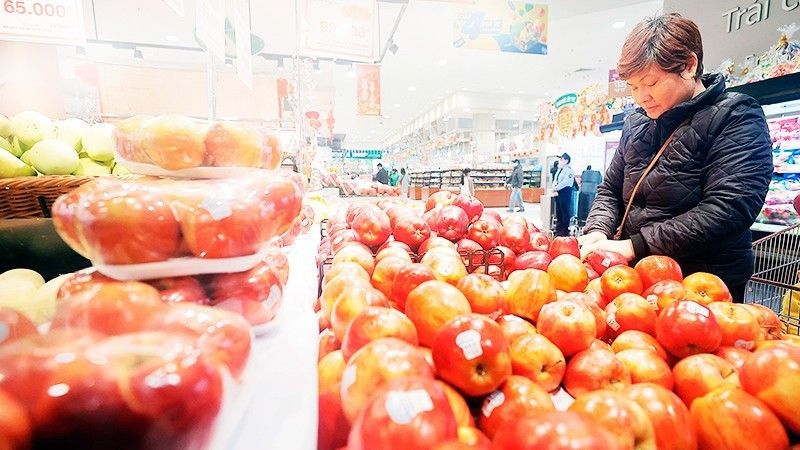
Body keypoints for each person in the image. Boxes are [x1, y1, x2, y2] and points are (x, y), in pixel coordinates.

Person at [579, 13, 772, 302]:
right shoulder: (636, 122)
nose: (641, 97)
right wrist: (598, 229)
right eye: (633, 87)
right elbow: (610, 189)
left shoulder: (736, 116)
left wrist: (636, 244)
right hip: (633, 277)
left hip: (702, 283)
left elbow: (728, 208)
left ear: (689, 65)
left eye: (651, 83)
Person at [552, 153, 575, 236]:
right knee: (558, 211)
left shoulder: (569, 171)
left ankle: (564, 229)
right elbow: (555, 179)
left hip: (565, 191)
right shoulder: (560, 169)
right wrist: (554, 187)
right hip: (558, 191)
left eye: (562, 159)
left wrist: (556, 188)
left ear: (566, 160)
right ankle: (558, 228)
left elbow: (565, 182)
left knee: (565, 210)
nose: (560, 161)